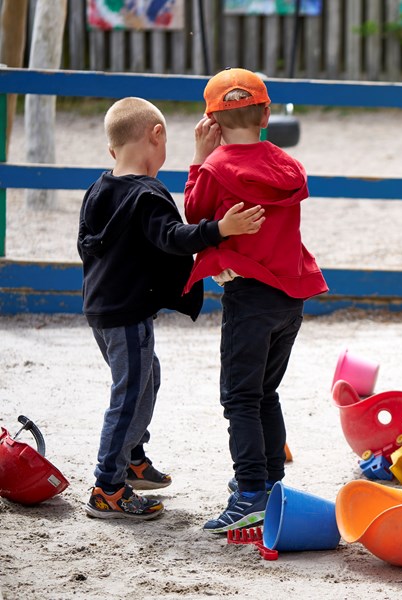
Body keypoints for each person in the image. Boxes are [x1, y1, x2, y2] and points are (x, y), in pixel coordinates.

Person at [79, 97, 265, 520]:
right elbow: (173, 237)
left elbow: (86, 244)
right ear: (156, 136)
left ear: (113, 150)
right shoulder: (147, 196)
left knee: (146, 377)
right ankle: (108, 487)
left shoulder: (99, 187)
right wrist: (221, 229)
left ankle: (132, 458)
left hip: (100, 309)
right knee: (128, 395)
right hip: (127, 315)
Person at [183, 68, 328, 533]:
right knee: (265, 393)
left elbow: (194, 213)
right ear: (266, 113)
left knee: (240, 398)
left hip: (248, 297)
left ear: (212, 121)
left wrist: (199, 159)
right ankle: (270, 482)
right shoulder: (287, 166)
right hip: (290, 298)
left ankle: (250, 493)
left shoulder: (215, 168)